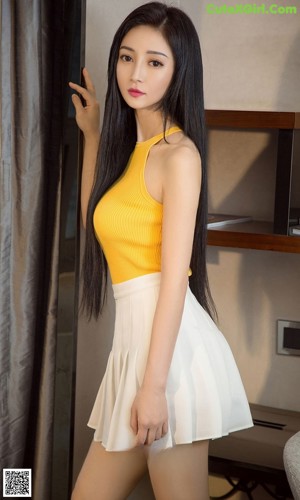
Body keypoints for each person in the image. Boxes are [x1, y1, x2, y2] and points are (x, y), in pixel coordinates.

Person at [69, 3, 253, 499]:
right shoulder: (131, 153)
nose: (136, 73)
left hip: (171, 365)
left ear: (178, 72)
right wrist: (91, 136)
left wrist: (152, 390)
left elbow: (175, 279)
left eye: (155, 62)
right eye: (127, 58)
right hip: (136, 355)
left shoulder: (180, 156)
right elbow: (98, 223)